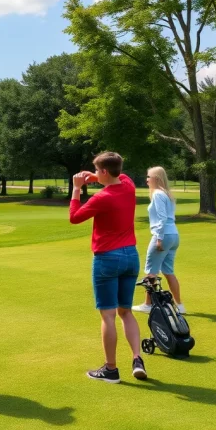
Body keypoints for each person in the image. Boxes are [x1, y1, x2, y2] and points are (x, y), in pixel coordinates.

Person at [70, 152, 146, 383]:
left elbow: (74, 217)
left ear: (104, 171)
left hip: (107, 258)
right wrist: (94, 177)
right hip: (131, 256)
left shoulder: (101, 198)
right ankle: (137, 358)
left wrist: (76, 188)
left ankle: (111, 368)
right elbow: (119, 175)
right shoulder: (128, 186)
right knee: (126, 312)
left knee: (108, 315)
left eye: (97, 170)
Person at [133, 166, 185, 314]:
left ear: (156, 178)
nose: (147, 180)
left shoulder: (157, 194)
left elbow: (162, 218)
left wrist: (159, 238)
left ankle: (148, 304)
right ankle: (179, 305)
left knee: (151, 272)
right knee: (168, 271)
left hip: (163, 235)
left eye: (149, 177)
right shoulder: (166, 194)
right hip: (173, 235)